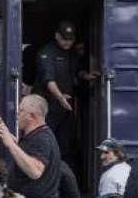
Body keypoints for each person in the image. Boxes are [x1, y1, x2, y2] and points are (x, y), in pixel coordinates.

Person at [33, 21, 97, 162]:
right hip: (47, 107)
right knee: (45, 143)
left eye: (71, 39)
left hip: (65, 107)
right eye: (64, 38)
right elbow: (48, 79)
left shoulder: (72, 53)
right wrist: (60, 97)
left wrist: (85, 75)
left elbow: (75, 72)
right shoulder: (46, 52)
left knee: (64, 145)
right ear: (57, 36)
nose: (67, 42)